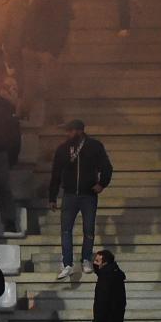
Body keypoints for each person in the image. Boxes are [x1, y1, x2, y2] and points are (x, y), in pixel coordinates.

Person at [47, 118, 111, 280]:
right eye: (68, 131)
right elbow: (55, 173)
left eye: (71, 131)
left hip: (88, 195)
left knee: (88, 229)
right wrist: (52, 196)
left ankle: (86, 259)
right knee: (66, 229)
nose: (69, 134)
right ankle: (67, 263)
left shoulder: (94, 146)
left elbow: (106, 167)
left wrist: (102, 184)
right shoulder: (62, 149)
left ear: (80, 130)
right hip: (69, 194)